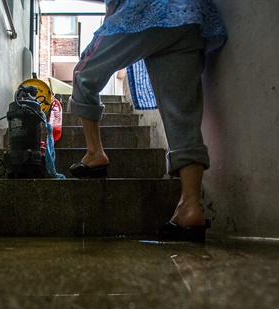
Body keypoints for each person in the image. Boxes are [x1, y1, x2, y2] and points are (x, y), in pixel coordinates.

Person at [67, 0, 227, 242]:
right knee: (181, 113)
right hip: (189, 15)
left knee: (84, 74)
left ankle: (94, 153)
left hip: (147, 10)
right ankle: (190, 207)